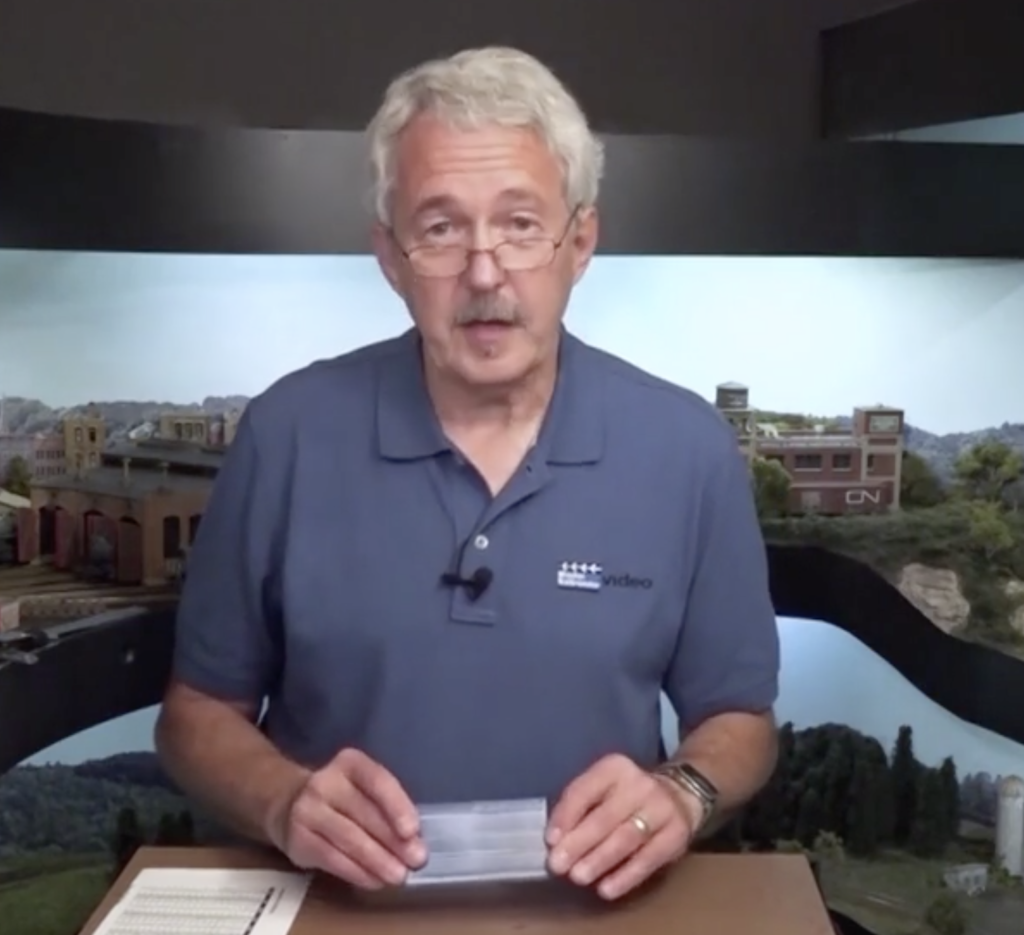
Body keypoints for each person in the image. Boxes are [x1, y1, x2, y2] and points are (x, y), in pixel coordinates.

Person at [155, 45, 780, 902]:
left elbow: (741, 721)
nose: (485, 272)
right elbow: (194, 717)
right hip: (336, 910)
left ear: (581, 242)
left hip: (599, 913)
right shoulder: (286, 436)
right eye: (442, 229)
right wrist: (283, 800)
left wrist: (684, 792)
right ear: (390, 257)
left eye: (520, 224)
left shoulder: (688, 449)